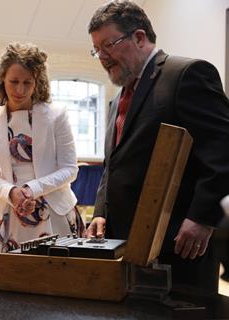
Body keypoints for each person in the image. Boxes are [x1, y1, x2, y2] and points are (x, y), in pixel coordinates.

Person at [86, 0, 229, 294]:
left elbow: (222, 149)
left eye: (108, 45)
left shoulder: (187, 74)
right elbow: (112, 165)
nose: (102, 56)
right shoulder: (117, 100)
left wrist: (202, 217)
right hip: (126, 243)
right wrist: (102, 211)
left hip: (179, 243)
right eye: (96, 49)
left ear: (139, 37)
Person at [0, 43, 85, 269]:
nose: (20, 89)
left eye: (28, 82)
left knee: (59, 281)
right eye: (14, 82)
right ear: (2, 80)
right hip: (8, 212)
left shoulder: (57, 115)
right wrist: (12, 192)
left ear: (38, 83)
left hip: (55, 211)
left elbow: (70, 169)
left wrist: (31, 189)